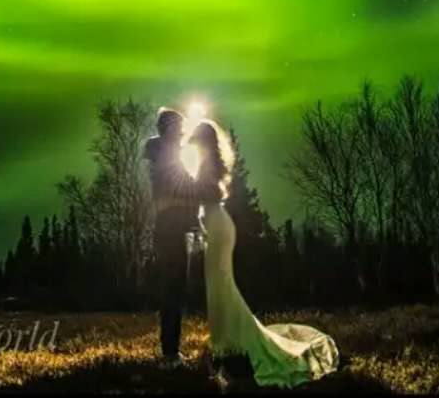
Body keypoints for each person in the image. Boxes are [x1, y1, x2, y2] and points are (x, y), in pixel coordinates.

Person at [187, 118, 339, 387]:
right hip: (218, 228)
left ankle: (231, 343)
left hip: (220, 229)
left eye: (196, 139)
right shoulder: (206, 163)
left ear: (204, 141)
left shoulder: (208, 165)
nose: (194, 144)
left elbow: (205, 194)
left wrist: (185, 187)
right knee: (219, 287)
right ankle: (226, 343)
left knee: (221, 287)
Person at [143, 107, 202, 366]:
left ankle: (171, 349)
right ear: (168, 128)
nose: (182, 132)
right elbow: (180, 192)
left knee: (174, 289)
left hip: (171, 229)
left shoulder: (168, 156)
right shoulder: (167, 158)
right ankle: (169, 353)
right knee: (172, 289)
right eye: (178, 127)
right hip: (169, 230)